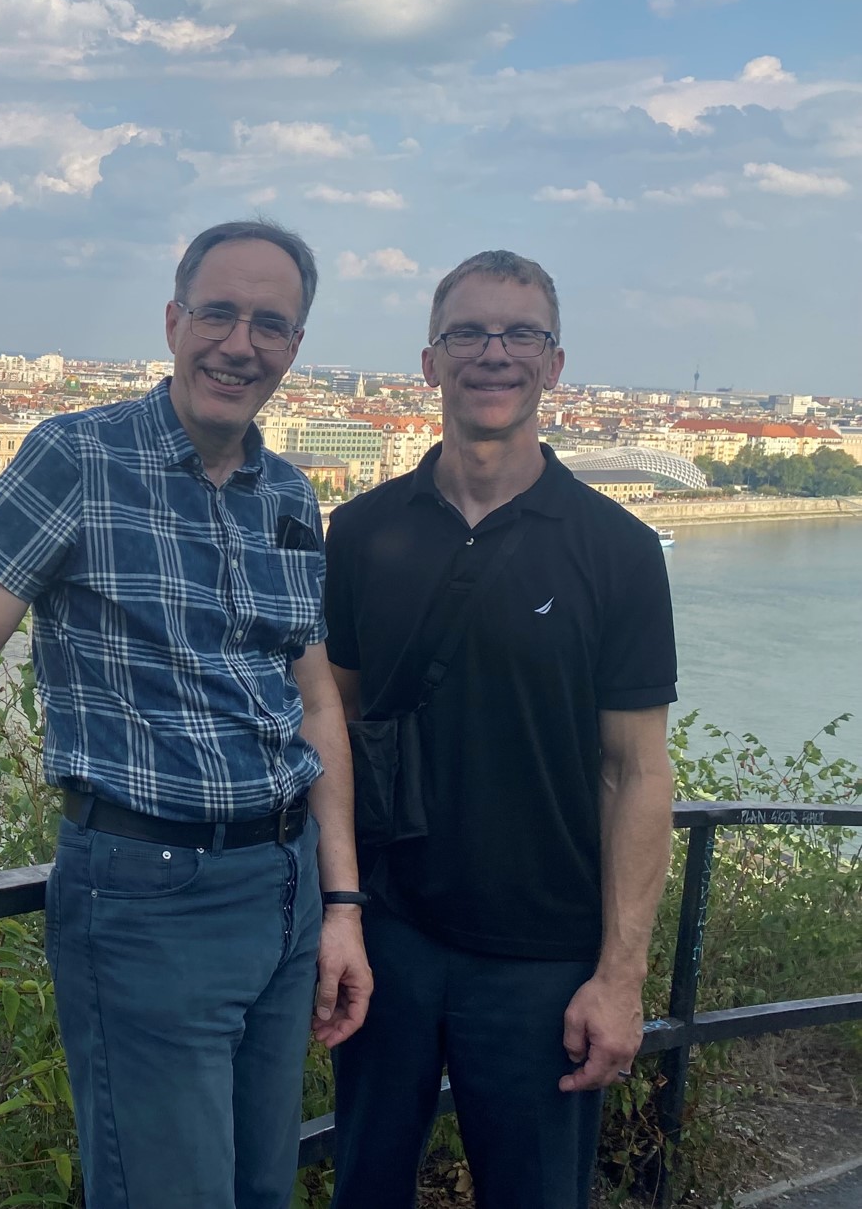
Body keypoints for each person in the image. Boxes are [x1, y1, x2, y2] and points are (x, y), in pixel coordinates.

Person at [0, 220, 372, 1209]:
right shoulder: (78, 457)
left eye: (270, 323)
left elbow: (314, 704)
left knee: (261, 1193)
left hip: (283, 887)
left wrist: (341, 906)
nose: (240, 343)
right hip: (149, 893)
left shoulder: (290, 495)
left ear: (295, 347)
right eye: (219, 313)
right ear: (175, 320)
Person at [323, 251, 677, 1208]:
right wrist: (339, 909)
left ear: (555, 365)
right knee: (364, 1185)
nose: (495, 353)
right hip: (387, 937)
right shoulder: (358, 536)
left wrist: (622, 976)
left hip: (544, 958)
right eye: (469, 333)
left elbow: (639, 772)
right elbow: (334, 727)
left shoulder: (620, 550)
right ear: (429, 362)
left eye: (521, 334)